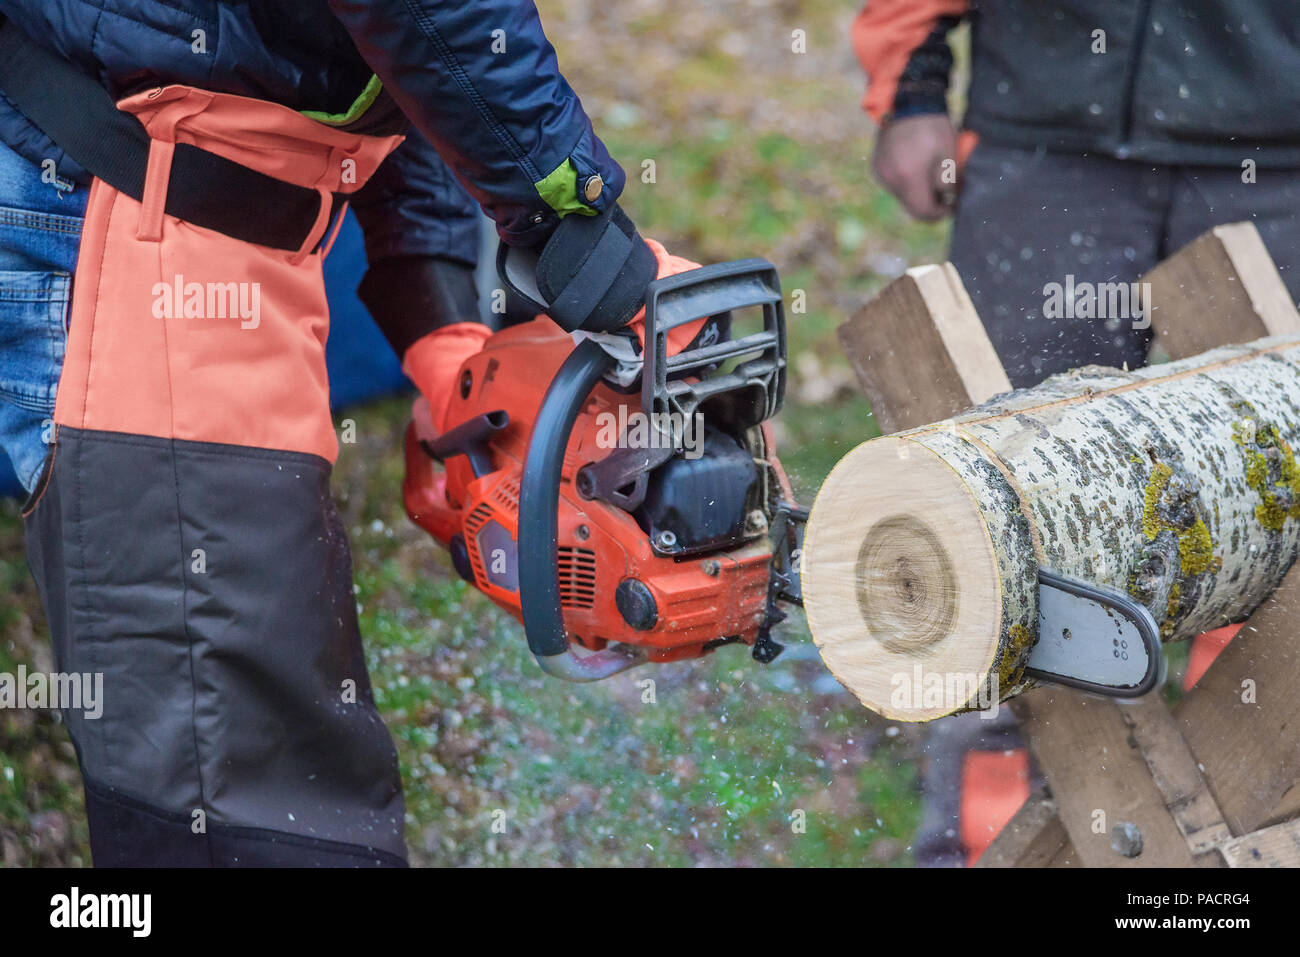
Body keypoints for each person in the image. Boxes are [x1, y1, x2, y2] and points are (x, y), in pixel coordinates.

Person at [0, 0, 675, 866]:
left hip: (228, 206)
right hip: (124, 196)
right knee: (248, 797)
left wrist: (440, 333)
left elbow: (396, 51)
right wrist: (579, 232)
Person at [852, 0, 1300, 865]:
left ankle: (1233, 854)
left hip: (1280, 154)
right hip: (1046, 141)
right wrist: (910, 88)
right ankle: (992, 843)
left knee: (1280, 529)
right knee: (1004, 524)